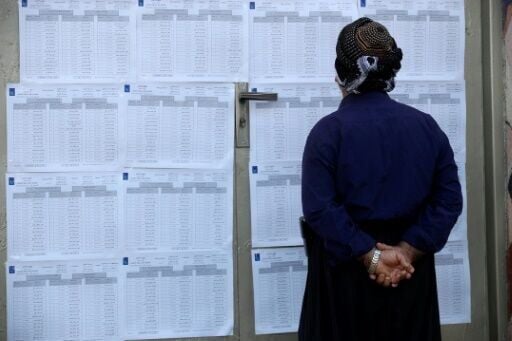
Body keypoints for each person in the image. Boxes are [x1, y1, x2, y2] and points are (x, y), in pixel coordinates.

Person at [299, 17, 463, 341]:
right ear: (391, 72)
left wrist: (372, 256)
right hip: (410, 279)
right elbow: (449, 201)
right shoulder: (427, 128)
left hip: (342, 286)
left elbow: (319, 208)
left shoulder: (327, 133)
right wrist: (406, 251)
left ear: (340, 74)